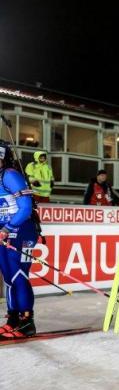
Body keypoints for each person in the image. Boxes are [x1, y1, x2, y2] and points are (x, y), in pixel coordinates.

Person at [0, 140, 39, 338]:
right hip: (5, 231)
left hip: (22, 230)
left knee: (17, 274)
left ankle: (27, 321)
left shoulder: (10, 175)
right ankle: (13, 318)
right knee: (8, 276)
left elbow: (25, 208)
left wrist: (7, 228)